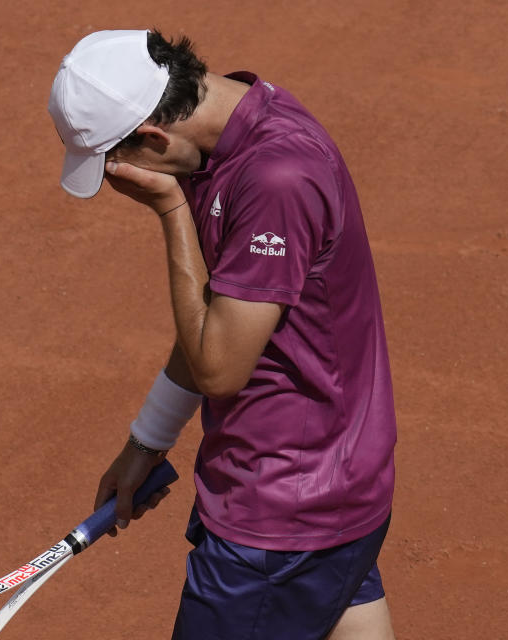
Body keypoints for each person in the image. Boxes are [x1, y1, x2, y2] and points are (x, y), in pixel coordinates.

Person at [48, 29, 398, 640]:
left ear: (154, 136)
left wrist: (171, 211)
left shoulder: (275, 181)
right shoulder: (242, 120)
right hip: (330, 484)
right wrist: (147, 443)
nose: (116, 180)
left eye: (115, 164)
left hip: (284, 508)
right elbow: (218, 316)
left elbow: (217, 368)